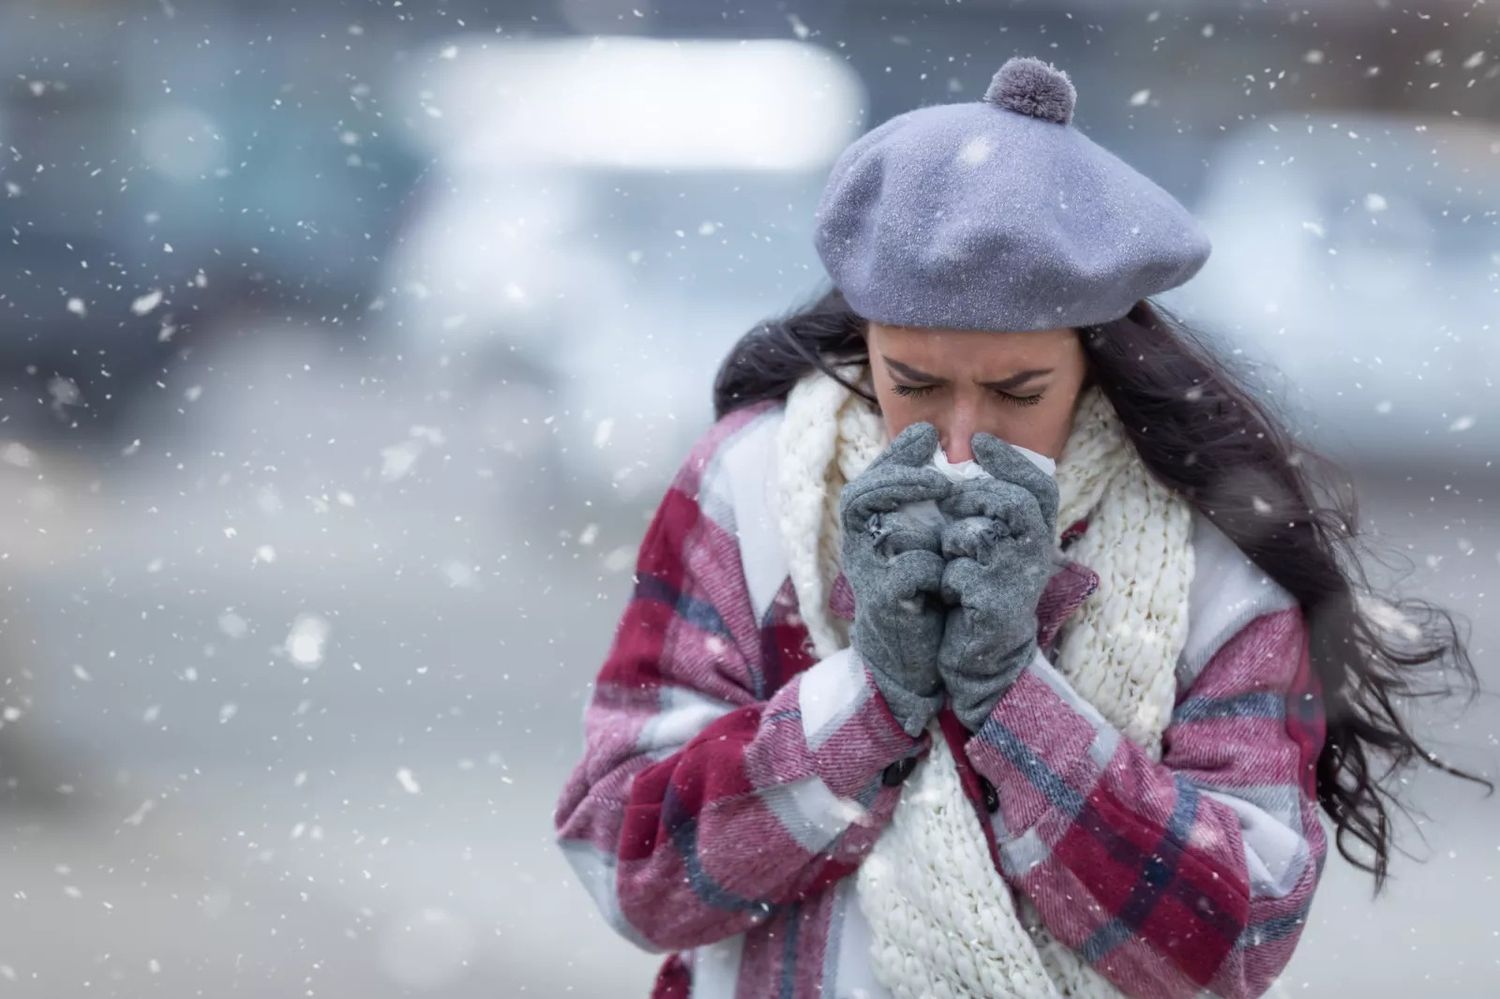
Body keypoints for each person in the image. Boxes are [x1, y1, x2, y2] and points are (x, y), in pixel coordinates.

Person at [552, 56, 1490, 999]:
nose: (962, 440)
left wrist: (1015, 703)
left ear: (1095, 359)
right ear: (863, 341)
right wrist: (866, 696)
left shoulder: (1212, 552)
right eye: (912, 383)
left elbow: (1236, 944)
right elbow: (626, 874)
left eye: (1017, 390)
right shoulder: (748, 485)